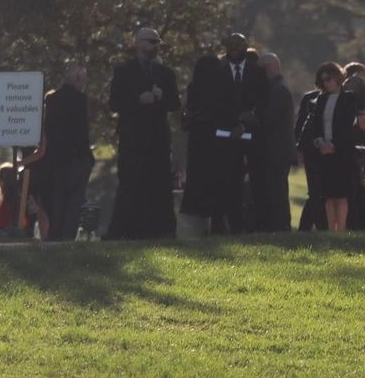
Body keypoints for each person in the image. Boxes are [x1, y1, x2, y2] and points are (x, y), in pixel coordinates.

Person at [106, 28, 180, 240]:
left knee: (160, 185)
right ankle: (123, 231)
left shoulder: (165, 73)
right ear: (137, 43)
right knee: (130, 184)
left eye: (157, 42)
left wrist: (161, 97)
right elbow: (114, 104)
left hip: (158, 139)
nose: (155, 45)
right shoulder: (123, 71)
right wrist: (138, 100)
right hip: (133, 139)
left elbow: (174, 104)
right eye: (150, 41)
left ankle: (162, 230)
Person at [213, 32, 269, 234]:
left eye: (239, 47)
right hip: (225, 135)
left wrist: (245, 125)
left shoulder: (257, 73)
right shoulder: (217, 72)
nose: (235, 51)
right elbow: (215, 103)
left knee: (253, 183)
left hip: (251, 136)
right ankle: (226, 225)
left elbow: (262, 103)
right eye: (232, 47)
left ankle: (253, 226)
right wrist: (236, 121)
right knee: (226, 181)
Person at [299, 62, 358, 231]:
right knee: (328, 194)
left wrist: (334, 145)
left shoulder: (349, 98)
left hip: (341, 152)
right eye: (323, 80)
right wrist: (321, 143)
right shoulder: (321, 99)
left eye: (329, 79)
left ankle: (342, 229)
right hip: (323, 153)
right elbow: (315, 125)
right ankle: (332, 230)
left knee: (341, 193)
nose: (326, 83)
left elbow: (347, 125)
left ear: (338, 78)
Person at [42, 65, 95, 241]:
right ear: (78, 80)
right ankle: (67, 237)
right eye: (84, 79)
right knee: (74, 202)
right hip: (76, 159)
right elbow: (81, 132)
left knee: (58, 200)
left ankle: (54, 234)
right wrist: (88, 157)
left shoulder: (52, 99)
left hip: (56, 159)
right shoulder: (79, 99)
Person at [180, 54, 227, 225]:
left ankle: (196, 220)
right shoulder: (222, 87)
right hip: (218, 139)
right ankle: (217, 222)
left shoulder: (193, 88)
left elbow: (183, 110)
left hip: (197, 139)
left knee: (197, 179)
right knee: (216, 180)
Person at [254, 53, 295, 232]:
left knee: (276, 190)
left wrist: (253, 116)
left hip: (276, 150)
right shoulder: (276, 88)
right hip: (276, 149)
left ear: (270, 67)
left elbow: (269, 118)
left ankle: (280, 225)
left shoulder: (277, 90)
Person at [343, 62, 365, 230]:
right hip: (355, 151)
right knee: (357, 192)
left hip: (360, 152)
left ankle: (360, 226)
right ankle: (358, 226)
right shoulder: (354, 86)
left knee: (360, 192)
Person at [295, 82, 327, 232]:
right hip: (312, 151)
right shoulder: (310, 99)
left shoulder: (341, 99)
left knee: (320, 192)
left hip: (327, 150)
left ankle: (310, 227)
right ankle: (308, 227)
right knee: (315, 192)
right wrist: (299, 150)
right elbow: (301, 125)